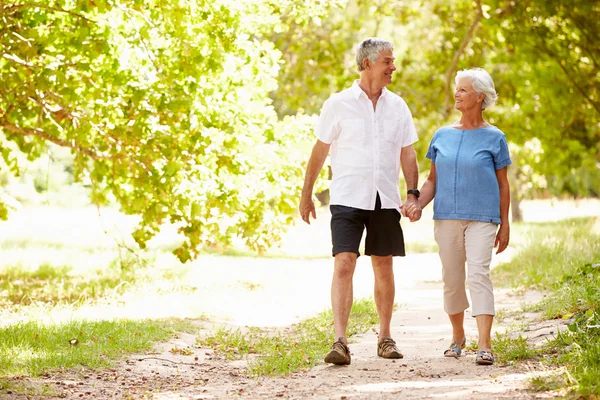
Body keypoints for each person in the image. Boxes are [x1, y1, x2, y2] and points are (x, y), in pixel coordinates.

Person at [299, 38, 420, 365]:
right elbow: (320, 150)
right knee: (344, 262)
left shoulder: (399, 106)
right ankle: (340, 340)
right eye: (387, 61)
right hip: (348, 197)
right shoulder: (337, 104)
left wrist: (413, 193)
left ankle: (385, 336)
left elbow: (407, 152)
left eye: (393, 61)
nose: (393, 67)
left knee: (383, 263)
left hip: (385, 199)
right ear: (367, 64)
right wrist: (306, 193)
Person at [402, 68, 511, 366]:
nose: (457, 94)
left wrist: (505, 223)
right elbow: (432, 180)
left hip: (483, 218)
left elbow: (503, 184)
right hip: (447, 217)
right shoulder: (442, 136)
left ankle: (485, 344)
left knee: (479, 274)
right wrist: (417, 203)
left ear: (479, 97)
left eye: (463, 90)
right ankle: (458, 336)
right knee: (452, 279)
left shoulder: (495, 137)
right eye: (457, 89)